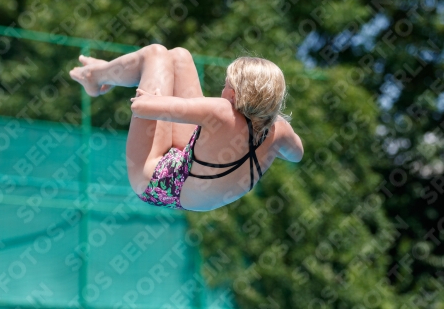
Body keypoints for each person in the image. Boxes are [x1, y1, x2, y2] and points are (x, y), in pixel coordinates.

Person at [69, 45, 303, 211]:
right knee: (180, 57)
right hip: (193, 182)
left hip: (154, 183)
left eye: (225, 85)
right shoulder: (279, 131)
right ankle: (105, 72)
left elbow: (141, 107)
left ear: (232, 94)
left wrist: (152, 89)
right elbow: (296, 155)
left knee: (155, 54)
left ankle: (96, 75)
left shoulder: (220, 110)